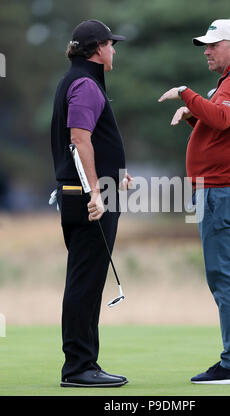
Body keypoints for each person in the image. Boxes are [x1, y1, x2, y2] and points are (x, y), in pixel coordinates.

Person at [158, 19, 230, 384]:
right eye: (206, 45)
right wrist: (193, 117)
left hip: (223, 192)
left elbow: (220, 117)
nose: (206, 50)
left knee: (225, 279)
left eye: (214, 45)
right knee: (225, 278)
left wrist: (186, 94)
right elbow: (223, 128)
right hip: (227, 191)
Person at [51, 19, 132, 387]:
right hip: (87, 199)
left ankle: (85, 364)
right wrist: (97, 192)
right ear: (98, 48)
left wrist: (115, 175)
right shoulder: (85, 83)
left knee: (87, 280)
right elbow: (79, 140)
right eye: (111, 45)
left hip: (86, 193)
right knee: (85, 281)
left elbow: (93, 141)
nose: (114, 50)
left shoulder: (79, 80)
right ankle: (79, 368)